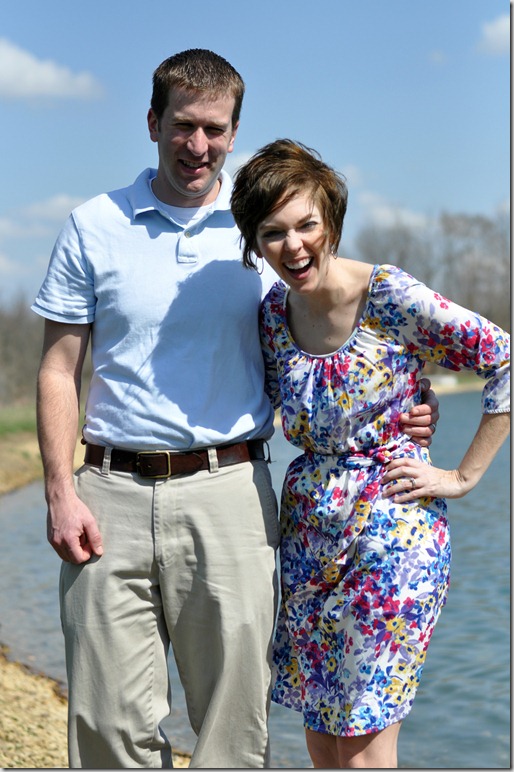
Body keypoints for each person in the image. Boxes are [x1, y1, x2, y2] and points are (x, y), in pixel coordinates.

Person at [32, 51, 438, 769]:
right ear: (153, 123)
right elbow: (58, 370)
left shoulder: (266, 230)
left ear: (234, 133)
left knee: (232, 731)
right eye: (183, 125)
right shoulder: (93, 226)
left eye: (215, 129)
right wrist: (60, 492)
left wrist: (408, 401)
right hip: (107, 496)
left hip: (231, 496)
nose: (198, 144)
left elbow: (335, 337)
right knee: (105, 725)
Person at [230, 139, 510, 769]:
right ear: (255, 243)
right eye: (273, 233)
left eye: (306, 224)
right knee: (322, 742)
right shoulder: (272, 315)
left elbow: (504, 359)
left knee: (362, 747)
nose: (294, 246)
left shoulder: (388, 295)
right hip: (309, 540)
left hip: (391, 532)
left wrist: (461, 476)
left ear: (331, 218)